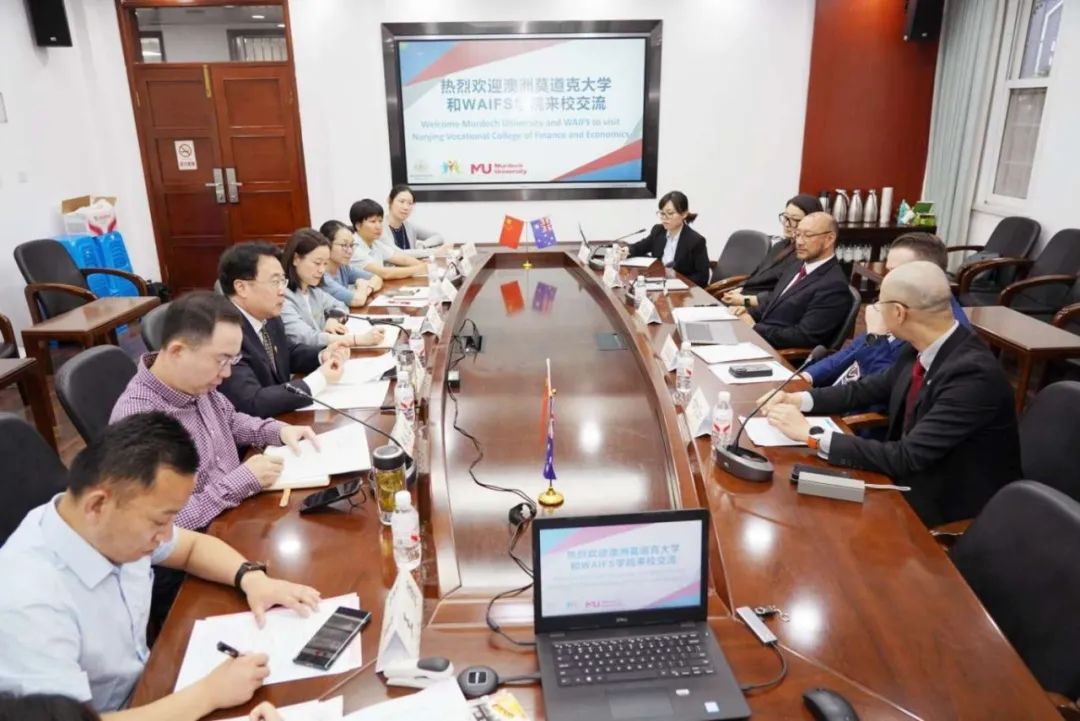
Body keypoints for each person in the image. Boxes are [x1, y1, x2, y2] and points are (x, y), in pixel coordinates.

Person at [0, 413, 322, 720]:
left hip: (153, 684)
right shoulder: (28, 602)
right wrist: (208, 695)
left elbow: (193, 547)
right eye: (160, 521)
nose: (167, 535)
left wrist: (251, 579)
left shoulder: (108, 526)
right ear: (97, 505)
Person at [762, 261, 1021, 526]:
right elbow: (865, 389)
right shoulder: (919, 347)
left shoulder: (972, 375)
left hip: (946, 502)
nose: (874, 309)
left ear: (898, 312)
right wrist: (798, 399)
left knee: (809, 518)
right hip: (907, 475)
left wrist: (811, 435)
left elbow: (908, 456)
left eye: (878, 302)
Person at [111, 291, 318, 531]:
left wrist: (277, 431)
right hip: (206, 537)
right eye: (221, 361)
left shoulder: (193, 382)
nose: (227, 373)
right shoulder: (138, 420)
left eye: (233, 361)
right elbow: (162, 524)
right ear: (177, 351)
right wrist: (240, 482)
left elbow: (229, 420)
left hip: (241, 513)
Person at [802, 233, 970, 389]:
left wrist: (876, 337)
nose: (885, 281)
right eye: (888, 271)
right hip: (838, 393)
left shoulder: (942, 332)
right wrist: (807, 377)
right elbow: (853, 350)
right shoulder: (901, 302)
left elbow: (891, 391)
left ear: (927, 274)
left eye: (896, 272)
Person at [217, 242, 349, 418]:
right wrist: (319, 379)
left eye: (282, 281)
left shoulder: (269, 317)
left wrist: (322, 355)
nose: (283, 290)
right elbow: (251, 401)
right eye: (275, 282)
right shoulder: (222, 332)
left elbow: (286, 353)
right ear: (241, 288)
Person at [733, 211, 852, 350]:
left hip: (778, 353)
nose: (799, 242)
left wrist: (755, 328)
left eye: (807, 235)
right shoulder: (796, 265)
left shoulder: (834, 285)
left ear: (829, 239)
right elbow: (775, 303)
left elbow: (804, 337)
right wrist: (747, 312)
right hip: (758, 339)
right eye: (798, 234)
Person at [280, 228, 385, 348]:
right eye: (317, 263)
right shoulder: (282, 297)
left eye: (325, 264)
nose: (322, 270)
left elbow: (341, 306)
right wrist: (357, 340)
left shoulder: (313, 291)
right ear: (296, 259)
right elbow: (307, 338)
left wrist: (333, 319)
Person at [721, 193, 820, 307]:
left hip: (761, 306)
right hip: (744, 298)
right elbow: (758, 274)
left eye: (795, 219)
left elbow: (781, 294)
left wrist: (744, 300)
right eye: (786, 217)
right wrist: (740, 288)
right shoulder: (780, 245)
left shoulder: (805, 255)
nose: (787, 224)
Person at [626, 191, 711, 287]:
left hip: (682, 290)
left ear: (684, 214)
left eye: (670, 213)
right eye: (662, 213)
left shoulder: (695, 241)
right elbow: (639, 247)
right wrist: (626, 250)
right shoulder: (658, 231)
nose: (664, 218)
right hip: (657, 284)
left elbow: (702, 277)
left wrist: (676, 279)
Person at [349, 199, 426, 280]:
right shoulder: (352, 247)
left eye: (380, 221)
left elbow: (403, 259)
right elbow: (385, 273)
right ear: (358, 226)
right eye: (373, 221)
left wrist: (423, 265)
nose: (378, 226)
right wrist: (420, 269)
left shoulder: (375, 243)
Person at [319, 219, 383, 307]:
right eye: (344, 245)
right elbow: (357, 301)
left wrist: (368, 288)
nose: (350, 251)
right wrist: (361, 285)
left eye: (352, 245)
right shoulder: (321, 276)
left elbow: (377, 278)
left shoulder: (343, 267)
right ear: (327, 245)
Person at [380, 184, 450, 257]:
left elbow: (438, 237)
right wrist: (433, 252)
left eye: (410, 203)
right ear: (389, 201)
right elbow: (397, 253)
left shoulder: (409, 226)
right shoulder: (379, 227)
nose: (406, 207)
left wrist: (423, 245)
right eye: (401, 201)